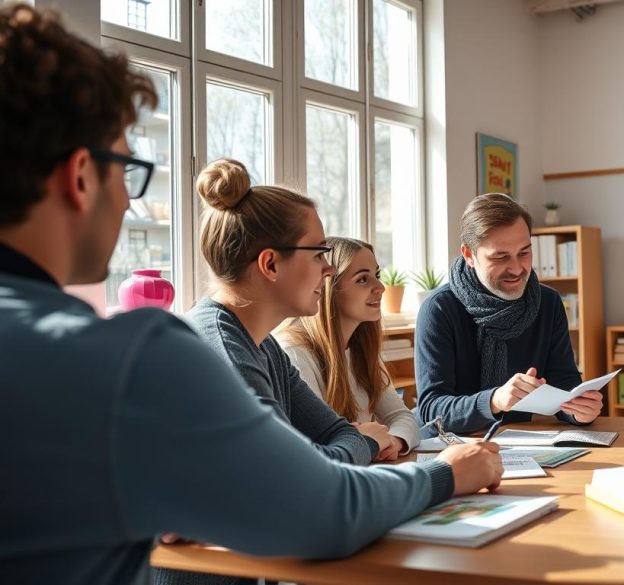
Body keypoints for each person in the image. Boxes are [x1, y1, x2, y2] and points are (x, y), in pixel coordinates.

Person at [0, 5, 502, 584]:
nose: (126, 199)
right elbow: (322, 509)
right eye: (127, 170)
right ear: (81, 176)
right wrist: (449, 473)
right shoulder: (125, 362)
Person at [183, 158, 394, 466]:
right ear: (270, 264)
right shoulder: (226, 352)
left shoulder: (263, 344)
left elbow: (334, 432)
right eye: (319, 253)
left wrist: (354, 441)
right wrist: (367, 442)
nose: (329, 268)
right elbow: (301, 471)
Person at [415, 192, 603, 434]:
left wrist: (579, 410)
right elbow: (431, 411)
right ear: (469, 255)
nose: (516, 268)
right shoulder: (439, 309)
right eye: (501, 257)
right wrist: (495, 400)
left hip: (521, 446)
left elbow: (564, 384)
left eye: (524, 253)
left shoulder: (548, 302)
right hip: (452, 450)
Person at [276, 237, 420, 458]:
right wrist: (370, 441)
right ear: (328, 287)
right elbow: (314, 443)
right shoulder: (294, 354)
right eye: (363, 279)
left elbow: (402, 416)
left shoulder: (361, 348)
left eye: (377, 275)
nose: (380, 287)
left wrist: (396, 440)